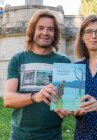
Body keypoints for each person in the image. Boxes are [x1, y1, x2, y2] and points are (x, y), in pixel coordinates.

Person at [3, 9, 70, 140]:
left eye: (50, 29)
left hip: (53, 137)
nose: (45, 33)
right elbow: (8, 99)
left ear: (55, 33)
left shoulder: (65, 62)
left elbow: (67, 102)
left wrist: (70, 109)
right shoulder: (18, 60)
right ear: (32, 30)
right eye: (40, 28)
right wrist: (35, 96)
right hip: (19, 136)